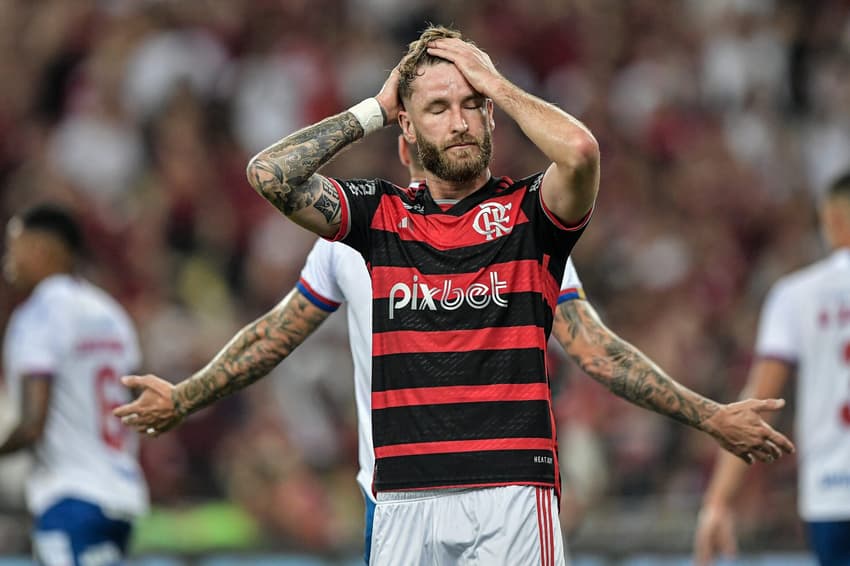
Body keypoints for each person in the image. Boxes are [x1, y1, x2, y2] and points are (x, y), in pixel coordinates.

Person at [118, 26, 792, 565]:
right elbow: (269, 185)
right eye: (438, 108)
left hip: (511, 490)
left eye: (473, 106)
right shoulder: (368, 225)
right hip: (400, 494)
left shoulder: (530, 222)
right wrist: (374, 109)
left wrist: (493, 77)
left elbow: (594, 331)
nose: (462, 121)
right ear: (406, 132)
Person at [694, 171, 850, 566]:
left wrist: (718, 502)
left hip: (832, 493)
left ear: (831, 220)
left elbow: (758, 404)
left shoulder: (796, 295)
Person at [1, 204, 148, 566]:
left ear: (42, 249)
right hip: (122, 496)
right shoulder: (111, 314)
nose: (8, 260)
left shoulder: (38, 315)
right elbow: (140, 403)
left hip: (69, 497)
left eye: (13, 247)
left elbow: (33, 425)